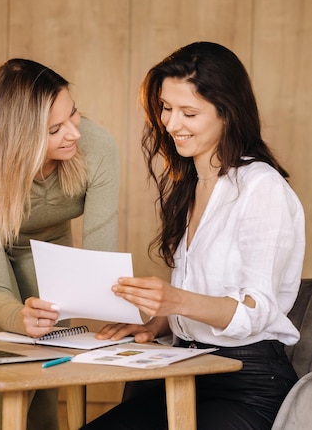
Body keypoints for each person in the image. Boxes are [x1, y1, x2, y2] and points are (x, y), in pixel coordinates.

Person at [81, 41, 305, 430]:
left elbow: (256, 309)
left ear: (227, 114)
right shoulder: (194, 183)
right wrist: (156, 323)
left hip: (247, 384)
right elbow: (198, 299)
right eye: (166, 108)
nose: (171, 124)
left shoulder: (260, 187)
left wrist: (175, 300)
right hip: (187, 370)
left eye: (189, 112)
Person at [0, 58, 119, 430]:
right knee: (11, 360)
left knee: (49, 360)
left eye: (74, 114)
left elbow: (100, 261)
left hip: (47, 239)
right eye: (54, 129)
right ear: (19, 138)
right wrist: (18, 317)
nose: (74, 133)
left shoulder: (99, 150)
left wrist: (114, 308)